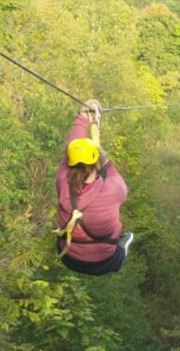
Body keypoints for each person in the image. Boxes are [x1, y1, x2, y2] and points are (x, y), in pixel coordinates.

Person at [55, 99, 133, 275]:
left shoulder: (62, 180)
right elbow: (109, 168)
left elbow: (72, 147)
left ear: (70, 161)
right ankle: (123, 244)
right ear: (97, 163)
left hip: (68, 257)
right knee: (118, 249)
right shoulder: (113, 190)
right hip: (106, 262)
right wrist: (93, 122)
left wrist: (84, 118)